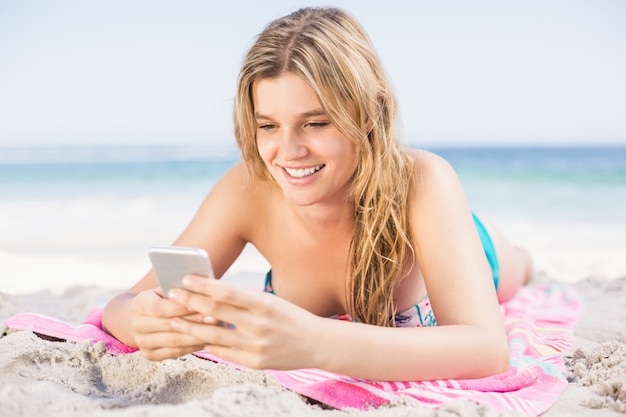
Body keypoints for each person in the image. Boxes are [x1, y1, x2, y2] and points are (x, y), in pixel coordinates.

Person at [102, 6, 532, 381]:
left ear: (368, 113)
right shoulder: (248, 188)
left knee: (519, 265)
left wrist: (316, 343)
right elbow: (121, 305)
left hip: (475, 245)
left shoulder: (422, 179)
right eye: (267, 125)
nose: (287, 152)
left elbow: (488, 352)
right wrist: (143, 320)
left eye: (316, 123)